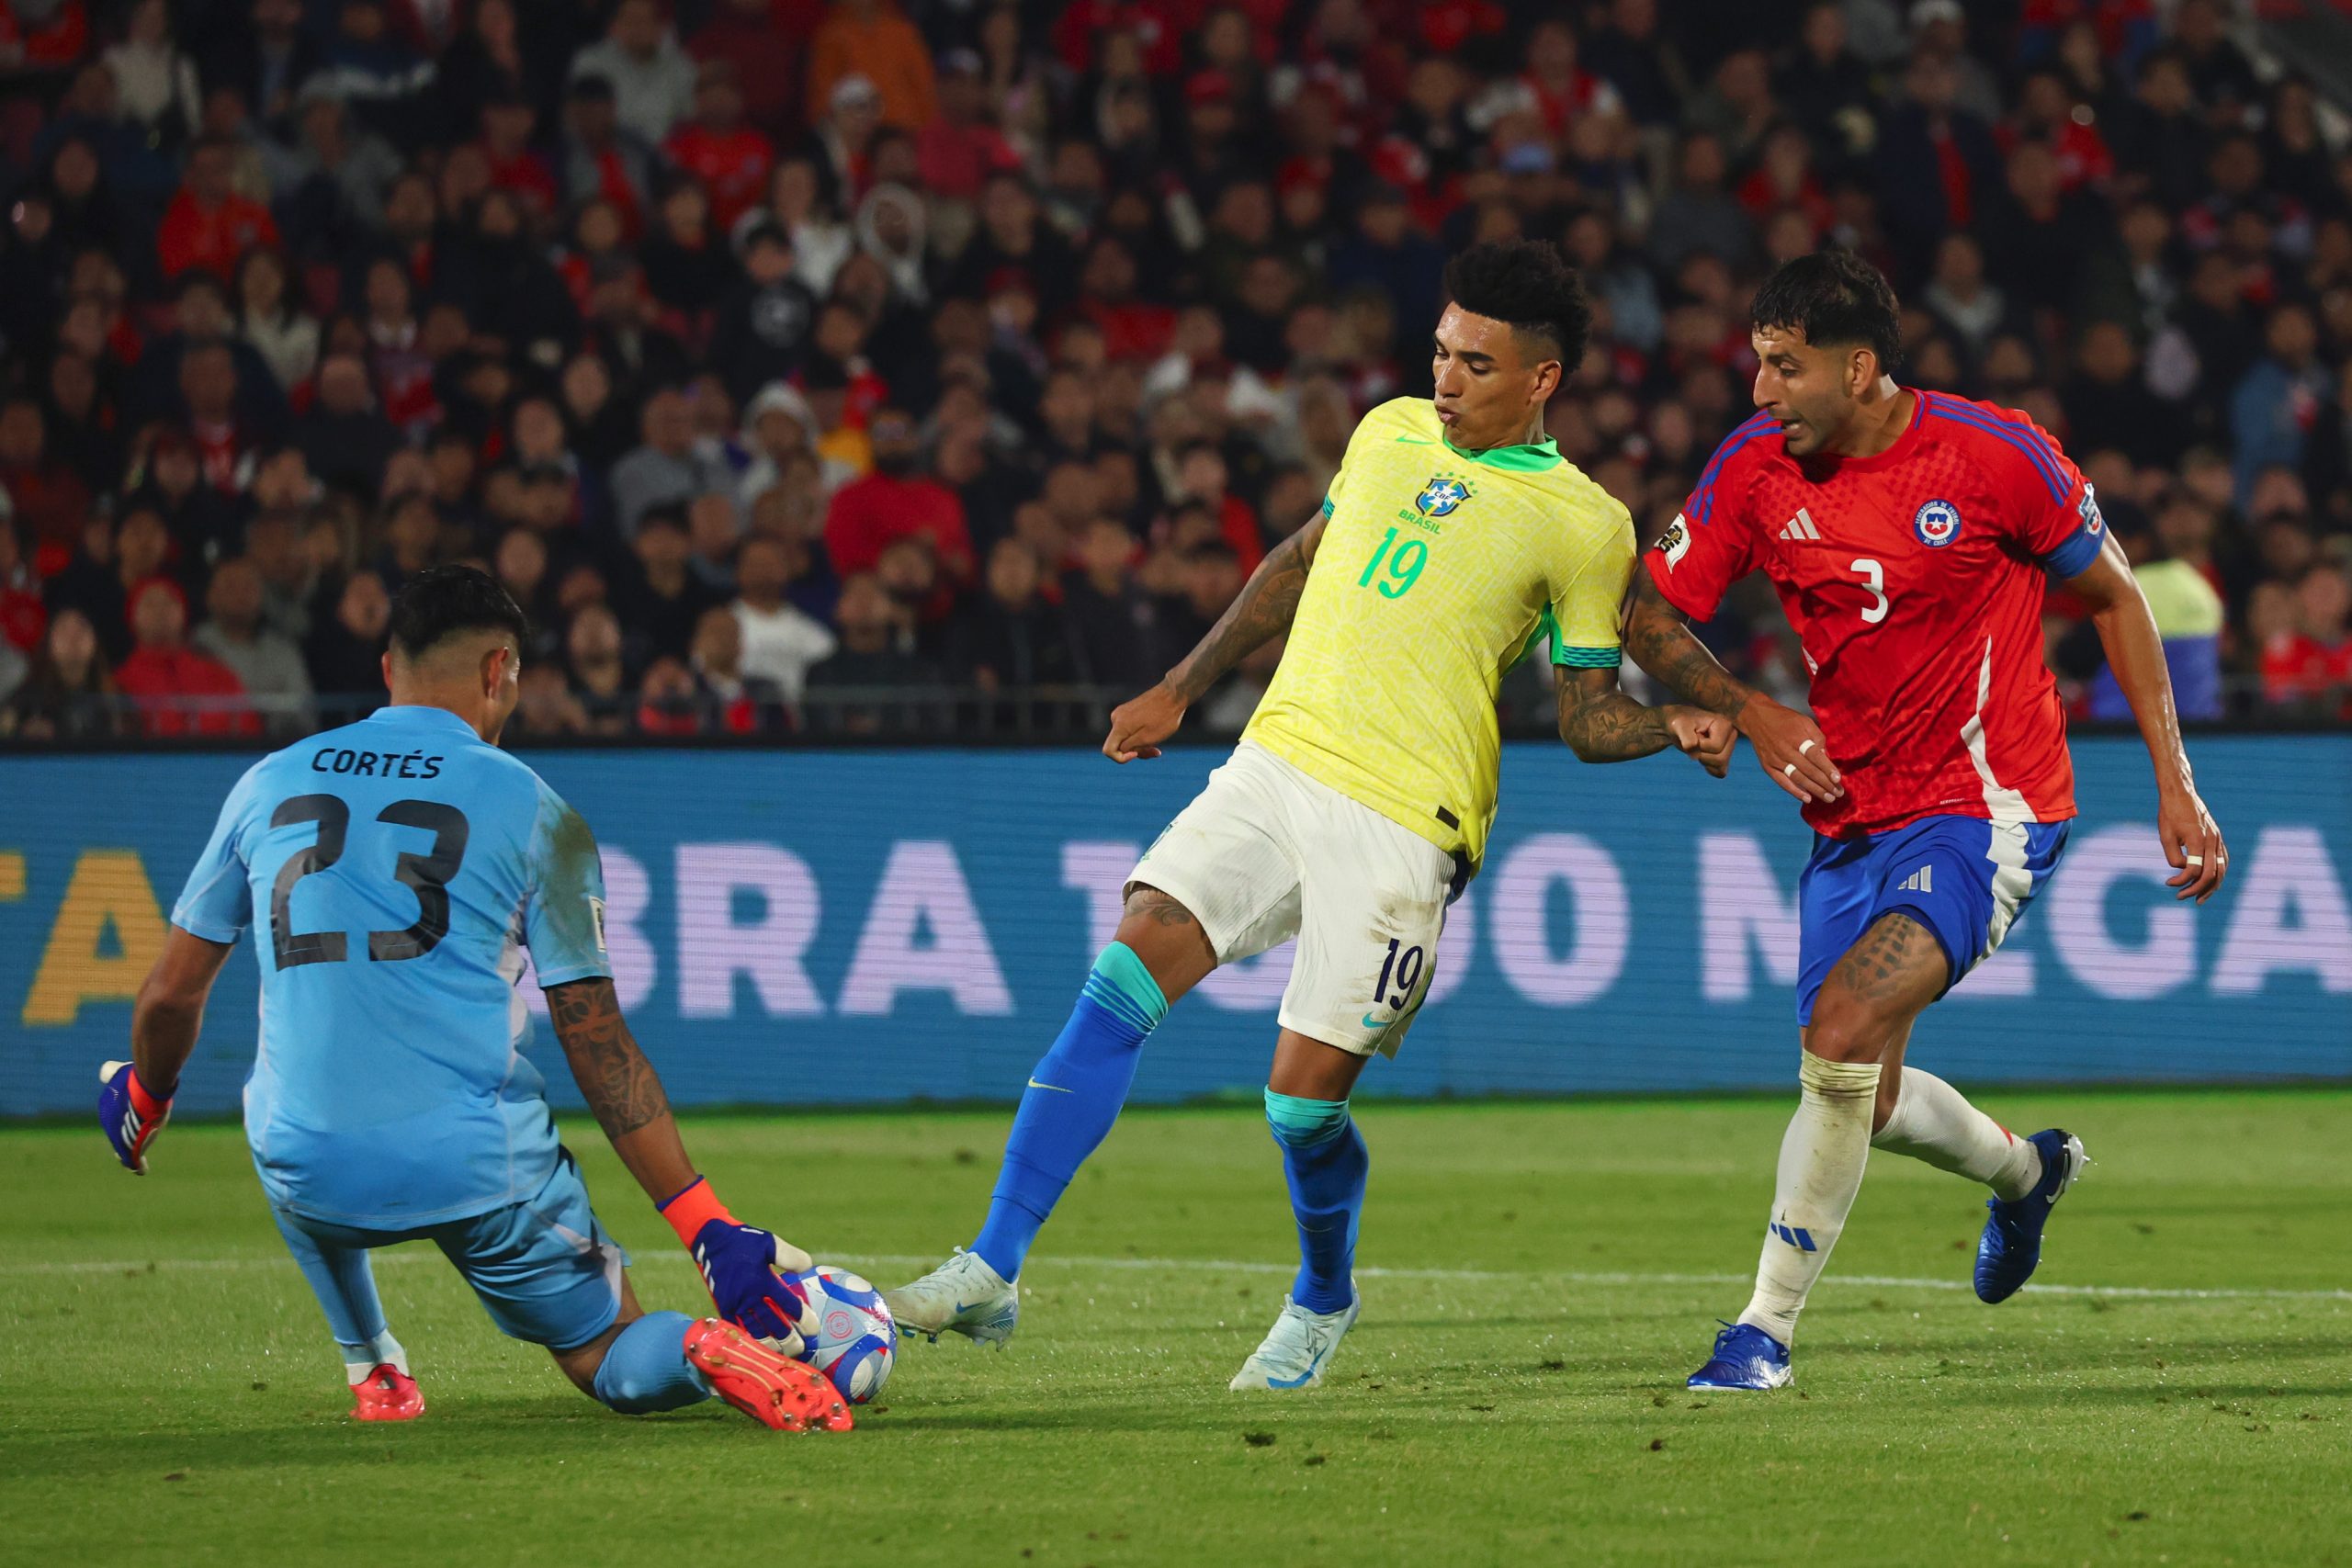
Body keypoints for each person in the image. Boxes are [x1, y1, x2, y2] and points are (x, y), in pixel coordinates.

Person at [884, 240, 1733, 1389]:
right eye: (1438, 352)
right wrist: (1180, 689)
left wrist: (1668, 722)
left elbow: (1584, 712)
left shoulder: (1585, 524)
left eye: (1475, 364)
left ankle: (1322, 1294)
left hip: (1406, 814)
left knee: (1297, 1105)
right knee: (1126, 962)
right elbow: (1294, 561)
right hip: (1276, 760)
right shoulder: (1385, 429)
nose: (1443, 379)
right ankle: (990, 1266)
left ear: (1542, 380)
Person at [1621, 251, 2230, 1392]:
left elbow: (2114, 597)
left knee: (1842, 1034)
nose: (1760, 393)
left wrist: (2174, 781)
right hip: (1850, 815)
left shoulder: (1995, 454)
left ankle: (1759, 1333)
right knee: (1863, 1089)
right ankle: (2025, 1175)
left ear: (1859, 369)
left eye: (1784, 368)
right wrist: (1746, 708)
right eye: (1757, 364)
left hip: (1986, 808)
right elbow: (1649, 616)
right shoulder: (1753, 467)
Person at [105, 566, 852, 1434]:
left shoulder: (267, 782)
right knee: (607, 1353)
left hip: (309, 1166)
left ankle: (373, 1364)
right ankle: (701, 1349)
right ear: (499, 669)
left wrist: (146, 1097)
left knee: (281, 1108)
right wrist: (706, 1225)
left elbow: (168, 998)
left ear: (390, 669)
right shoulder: (535, 809)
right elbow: (597, 1045)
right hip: (474, 1167)